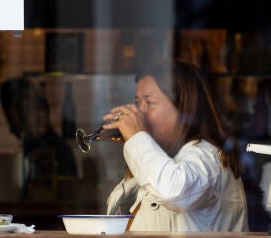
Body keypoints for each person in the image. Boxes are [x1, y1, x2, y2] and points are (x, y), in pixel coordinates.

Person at [103, 59, 248, 231]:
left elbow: (174, 191)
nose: (140, 112)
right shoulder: (159, 159)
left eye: (149, 103)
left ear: (184, 110)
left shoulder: (207, 157)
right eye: (137, 102)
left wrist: (137, 138)